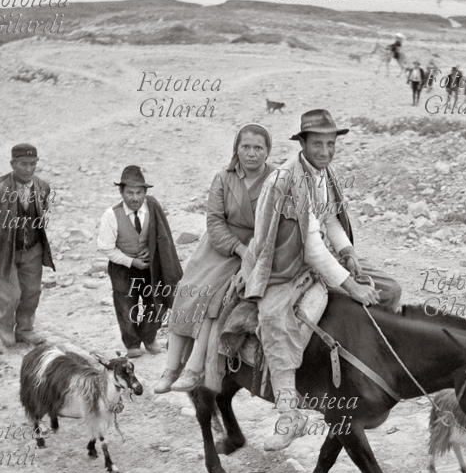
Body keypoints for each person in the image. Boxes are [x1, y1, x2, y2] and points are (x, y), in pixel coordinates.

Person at [241, 109, 402, 451]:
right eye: (319, 143)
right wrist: (350, 285)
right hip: (284, 265)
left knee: (389, 290)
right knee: (275, 318)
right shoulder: (287, 181)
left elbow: (328, 221)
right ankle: (289, 413)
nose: (326, 150)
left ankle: (371, 366)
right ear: (303, 143)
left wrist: (348, 254)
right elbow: (311, 248)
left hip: (318, 259)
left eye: (331, 143)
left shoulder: (322, 173)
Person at [154, 124, 275, 393]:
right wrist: (238, 249)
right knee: (187, 290)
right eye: (245, 147)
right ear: (236, 148)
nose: (251, 153)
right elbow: (214, 221)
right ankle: (170, 367)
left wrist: (252, 252)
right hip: (219, 247)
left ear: (268, 151)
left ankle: (194, 368)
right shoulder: (223, 177)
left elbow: (275, 224)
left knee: (217, 298)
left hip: (257, 247)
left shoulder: (276, 180)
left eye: (258, 148)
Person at [97, 166, 182, 358]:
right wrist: (131, 261)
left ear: (145, 193)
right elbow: (106, 247)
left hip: (151, 267)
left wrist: (152, 253)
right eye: (129, 193)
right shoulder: (111, 215)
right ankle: (133, 343)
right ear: (121, 192)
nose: (134, 198)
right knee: (126, 307)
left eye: (138, 193)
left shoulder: (152, 208)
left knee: (157, 303)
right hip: (123, 268)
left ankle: (149, 337)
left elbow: (162, 237)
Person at [0, 143, 55, 348]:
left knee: (31, 293)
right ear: (12, 164)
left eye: (32, 164)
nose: (28, 169)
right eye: (23, 164)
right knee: (10, 296)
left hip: (33, 250)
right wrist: (4, 232)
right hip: (3, 251)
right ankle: (6, 329)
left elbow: (41, 210)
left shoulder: (42, 187)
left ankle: (25, 330)